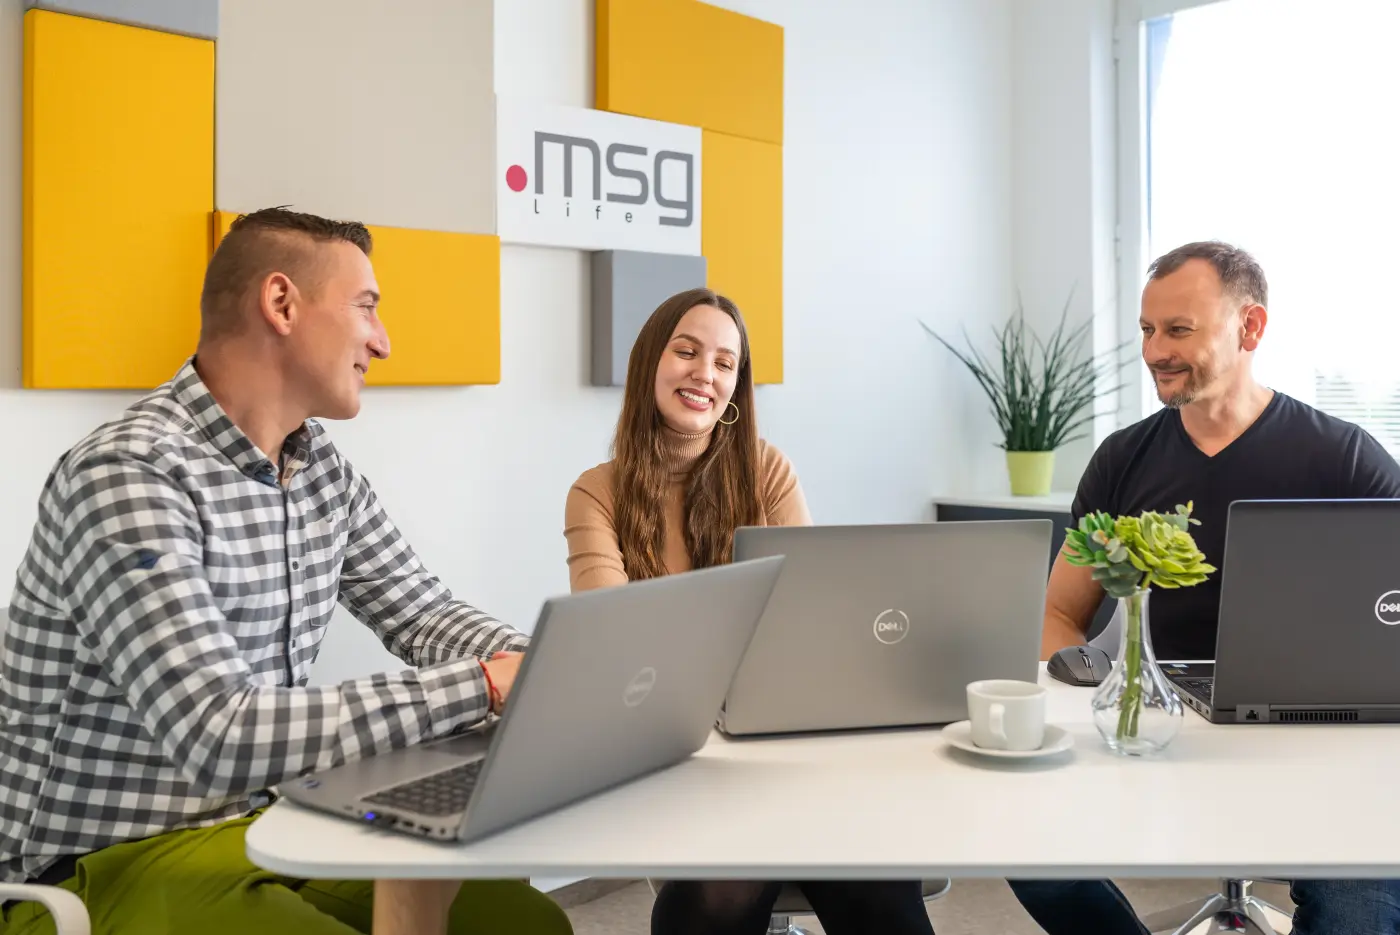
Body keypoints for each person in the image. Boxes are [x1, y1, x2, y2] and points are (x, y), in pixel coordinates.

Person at [0, 208, 572, 935]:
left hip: (266, 825)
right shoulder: (129, 473)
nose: (383, 341)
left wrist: (547, 665)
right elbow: (219, 732)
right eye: (366, 307)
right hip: (99, 866)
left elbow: (422, 612)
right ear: (281, 303)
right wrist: (485, 684)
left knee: (523, 924)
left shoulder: (318, 467)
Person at [1008, 241, 1400, 935]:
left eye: (1178, 330)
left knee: (1357, 911)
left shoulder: (1343, 458)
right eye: (1146, 330)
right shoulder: (1122, 460)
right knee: (1025, 848)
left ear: (1250, 327)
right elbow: (1059, 611)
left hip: (1316, 747)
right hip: (1163, 730)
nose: (1155, 350)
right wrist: (1087, 694)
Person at [563, 287, 935, 935]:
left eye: (725, 363)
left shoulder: (766, 470)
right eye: (686, 352)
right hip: (677, 752)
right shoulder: (597, 492)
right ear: (650, 362)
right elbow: (611, 640)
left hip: (784, 739)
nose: (705, 373)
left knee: (874, 878)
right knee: (723, 888)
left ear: (736, 385)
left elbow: (816, 620)